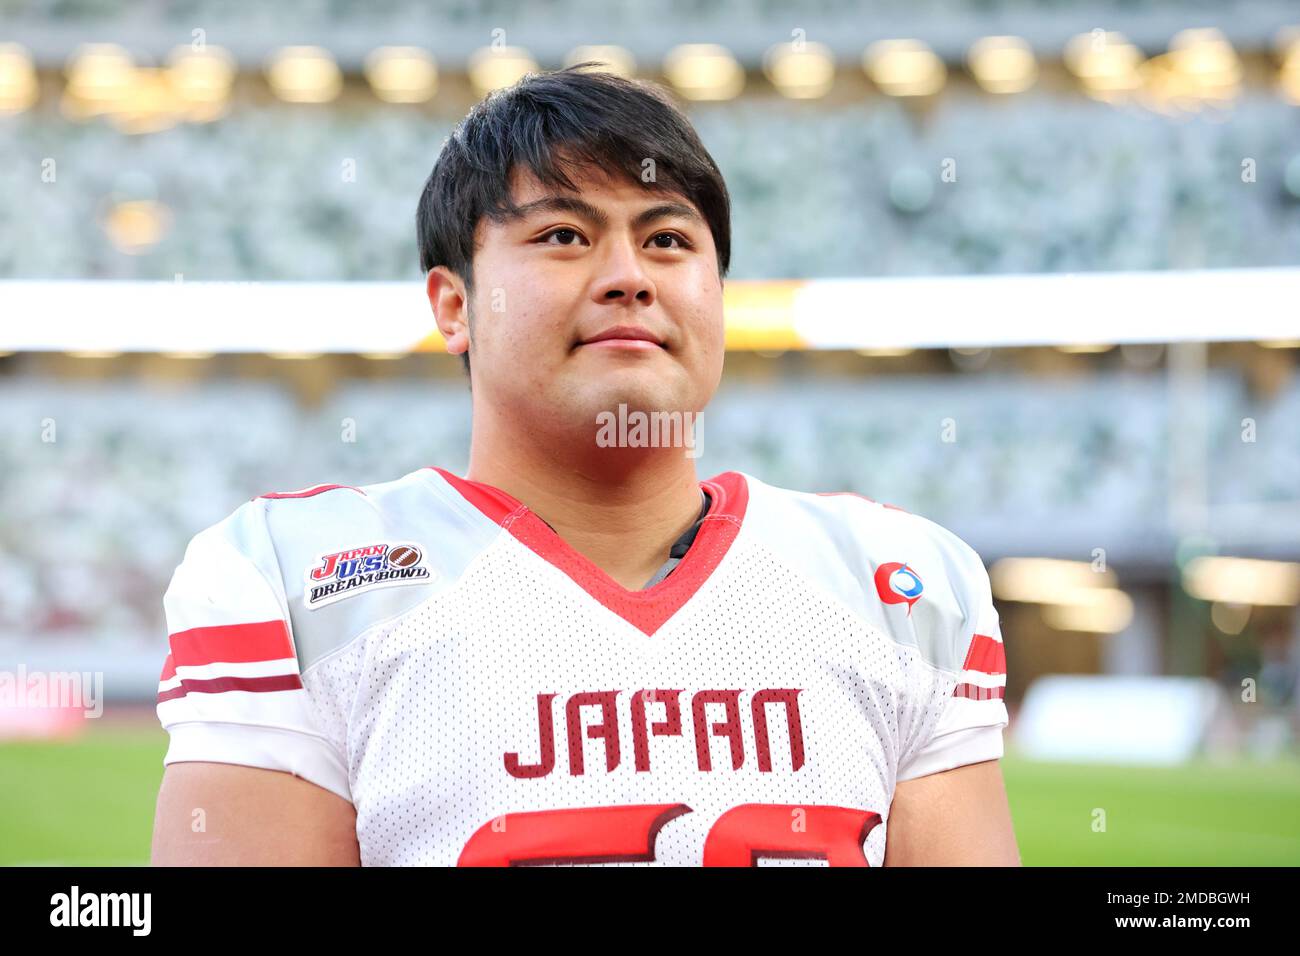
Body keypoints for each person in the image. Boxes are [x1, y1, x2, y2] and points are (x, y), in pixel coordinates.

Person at [151, 64, 1018, 866]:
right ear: (455, 307)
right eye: (565, 234)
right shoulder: (288, 579)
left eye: (670, 241)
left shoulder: (902, 584)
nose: (628, 277)